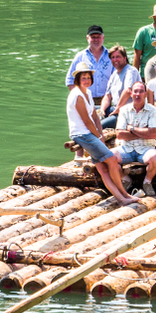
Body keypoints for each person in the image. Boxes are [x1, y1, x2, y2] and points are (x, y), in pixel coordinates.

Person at [66, 62, 137, 206]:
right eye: (83, 78)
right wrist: (98, 136)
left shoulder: (88, 92)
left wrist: (101, 133)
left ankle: (121, 198)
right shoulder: (77, 95)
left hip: (89, 133)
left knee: (103, 169)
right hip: (81, 134)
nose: (86, 80)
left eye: (88, 77)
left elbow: (95, 116)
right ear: (78, 79)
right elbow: (86, 120)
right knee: (111, 160)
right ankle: (124, 194)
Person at [112, 82, 156, 198]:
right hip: (126, 148)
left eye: (140, 91)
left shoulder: (153, 110)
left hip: (146, 148)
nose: (137, 94)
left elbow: (153, 134)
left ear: (145, 93)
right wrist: (143, 132)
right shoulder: (124, 109)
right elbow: (119, 134)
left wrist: (131, 129)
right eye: (135, 91)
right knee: (109, 156)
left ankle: (147, 182)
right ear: (131, 93)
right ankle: (125, 179)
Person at [65, 25, 113, 101]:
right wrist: (79, 98)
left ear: (103, 38)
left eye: (98, 37)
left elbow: (117, 78)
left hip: (107, 100)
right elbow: (70, 80)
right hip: (85, 100)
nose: (96, 40)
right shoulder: (80, 56)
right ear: (87, 38)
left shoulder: (111, 56)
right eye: (93, 37)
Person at [100, 45, 141, 130]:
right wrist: (102, 110)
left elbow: (127, 90)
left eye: (118, 57)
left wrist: (117, 109)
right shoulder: (114, 74)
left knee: (99, 126)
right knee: (90, 109)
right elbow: (107, 96)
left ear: (125, 58)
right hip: (115, 109)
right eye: (113, 57)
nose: (115, 60)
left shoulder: (130, 71)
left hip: (128, 112)